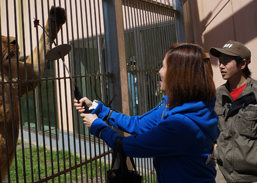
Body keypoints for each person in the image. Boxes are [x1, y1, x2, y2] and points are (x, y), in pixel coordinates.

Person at [74, 43, 219, 183]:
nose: (159, 71)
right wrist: (98, 109)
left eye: (163, 66)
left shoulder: (181, 125)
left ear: (177, 75)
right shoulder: (174, 106)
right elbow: (136, 124)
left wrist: (98, 127)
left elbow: (126, 146)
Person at [209, 40, 257, 183]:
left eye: (226, 62)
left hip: (251, 176)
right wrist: (215, 151)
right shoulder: (217, 96)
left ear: (242, 64)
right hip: (221, 174)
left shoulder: (255, 95)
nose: (221, 66)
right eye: (220, 62)